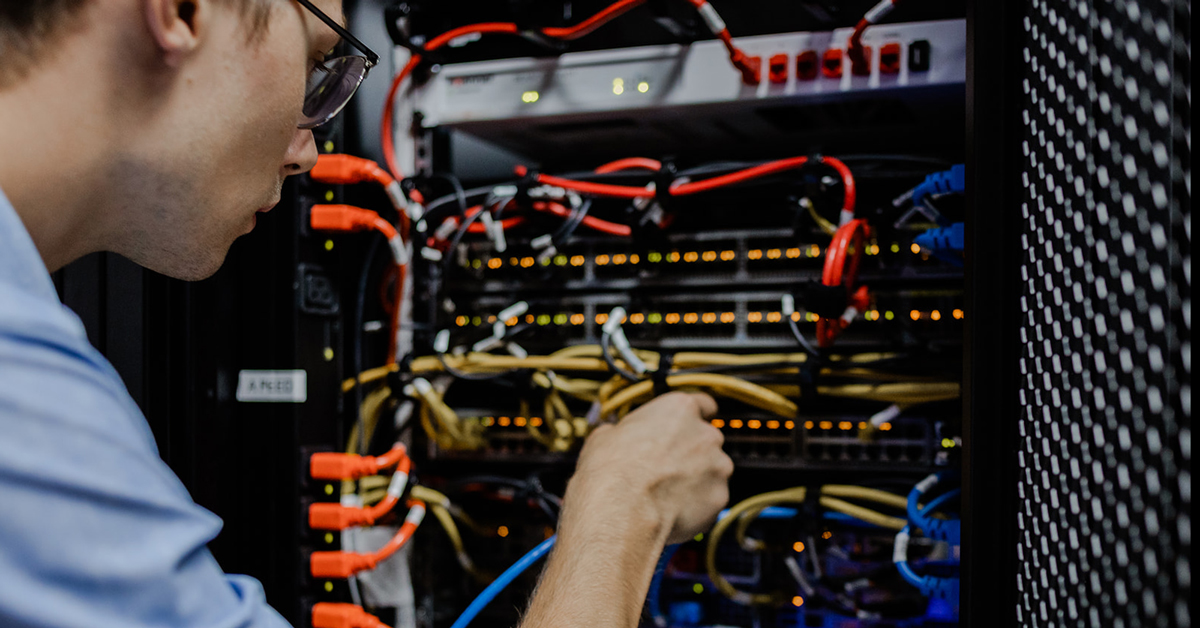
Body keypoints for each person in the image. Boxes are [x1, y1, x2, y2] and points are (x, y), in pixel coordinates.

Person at [0, 1, 734, 627]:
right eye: (321, 64)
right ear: (184, 9)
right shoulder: (22, 395)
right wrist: (626, 504)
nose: (311, 152)